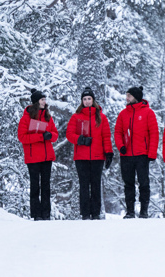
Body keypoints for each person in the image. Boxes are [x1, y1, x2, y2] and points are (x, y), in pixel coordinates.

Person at [66, 87, 113, 220]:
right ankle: (85, 213)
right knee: (84, 185)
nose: (87, 101)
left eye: (89, 99)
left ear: (93, 100)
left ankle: (96, 213)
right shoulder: (76, 117)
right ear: (82, 101)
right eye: (84, 99)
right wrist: (80, 139)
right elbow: (69, 134)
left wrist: (108, 153)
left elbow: (106, 136)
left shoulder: (101, 117)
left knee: (96, 185)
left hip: (98, 157)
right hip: (81, 157)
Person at [114, 86, 159, 218]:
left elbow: (154, 134)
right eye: (126, 95)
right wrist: (120, 146)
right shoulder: (123, 114)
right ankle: (130, 211)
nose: (126, 98)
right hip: (126, 155)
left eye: (129, 96)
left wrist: (151, 153)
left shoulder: (148, 113)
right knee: (128, 183)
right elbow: (117, 132)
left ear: (136, 97)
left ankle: (144, 211)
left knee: (144, 183)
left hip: (142, 155)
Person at [17, 88, 58, 220]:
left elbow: (55, 135)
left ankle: (46, 214)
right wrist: (40, 137)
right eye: (42, 99)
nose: (44, 102)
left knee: (46, 186)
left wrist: (49, 135)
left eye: (45, 99)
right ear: (36, 102)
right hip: (33, 158)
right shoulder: (25, 119)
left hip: (47, 157)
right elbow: (22, 137)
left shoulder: (48, 117)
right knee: (35, 186)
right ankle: (36, 214)